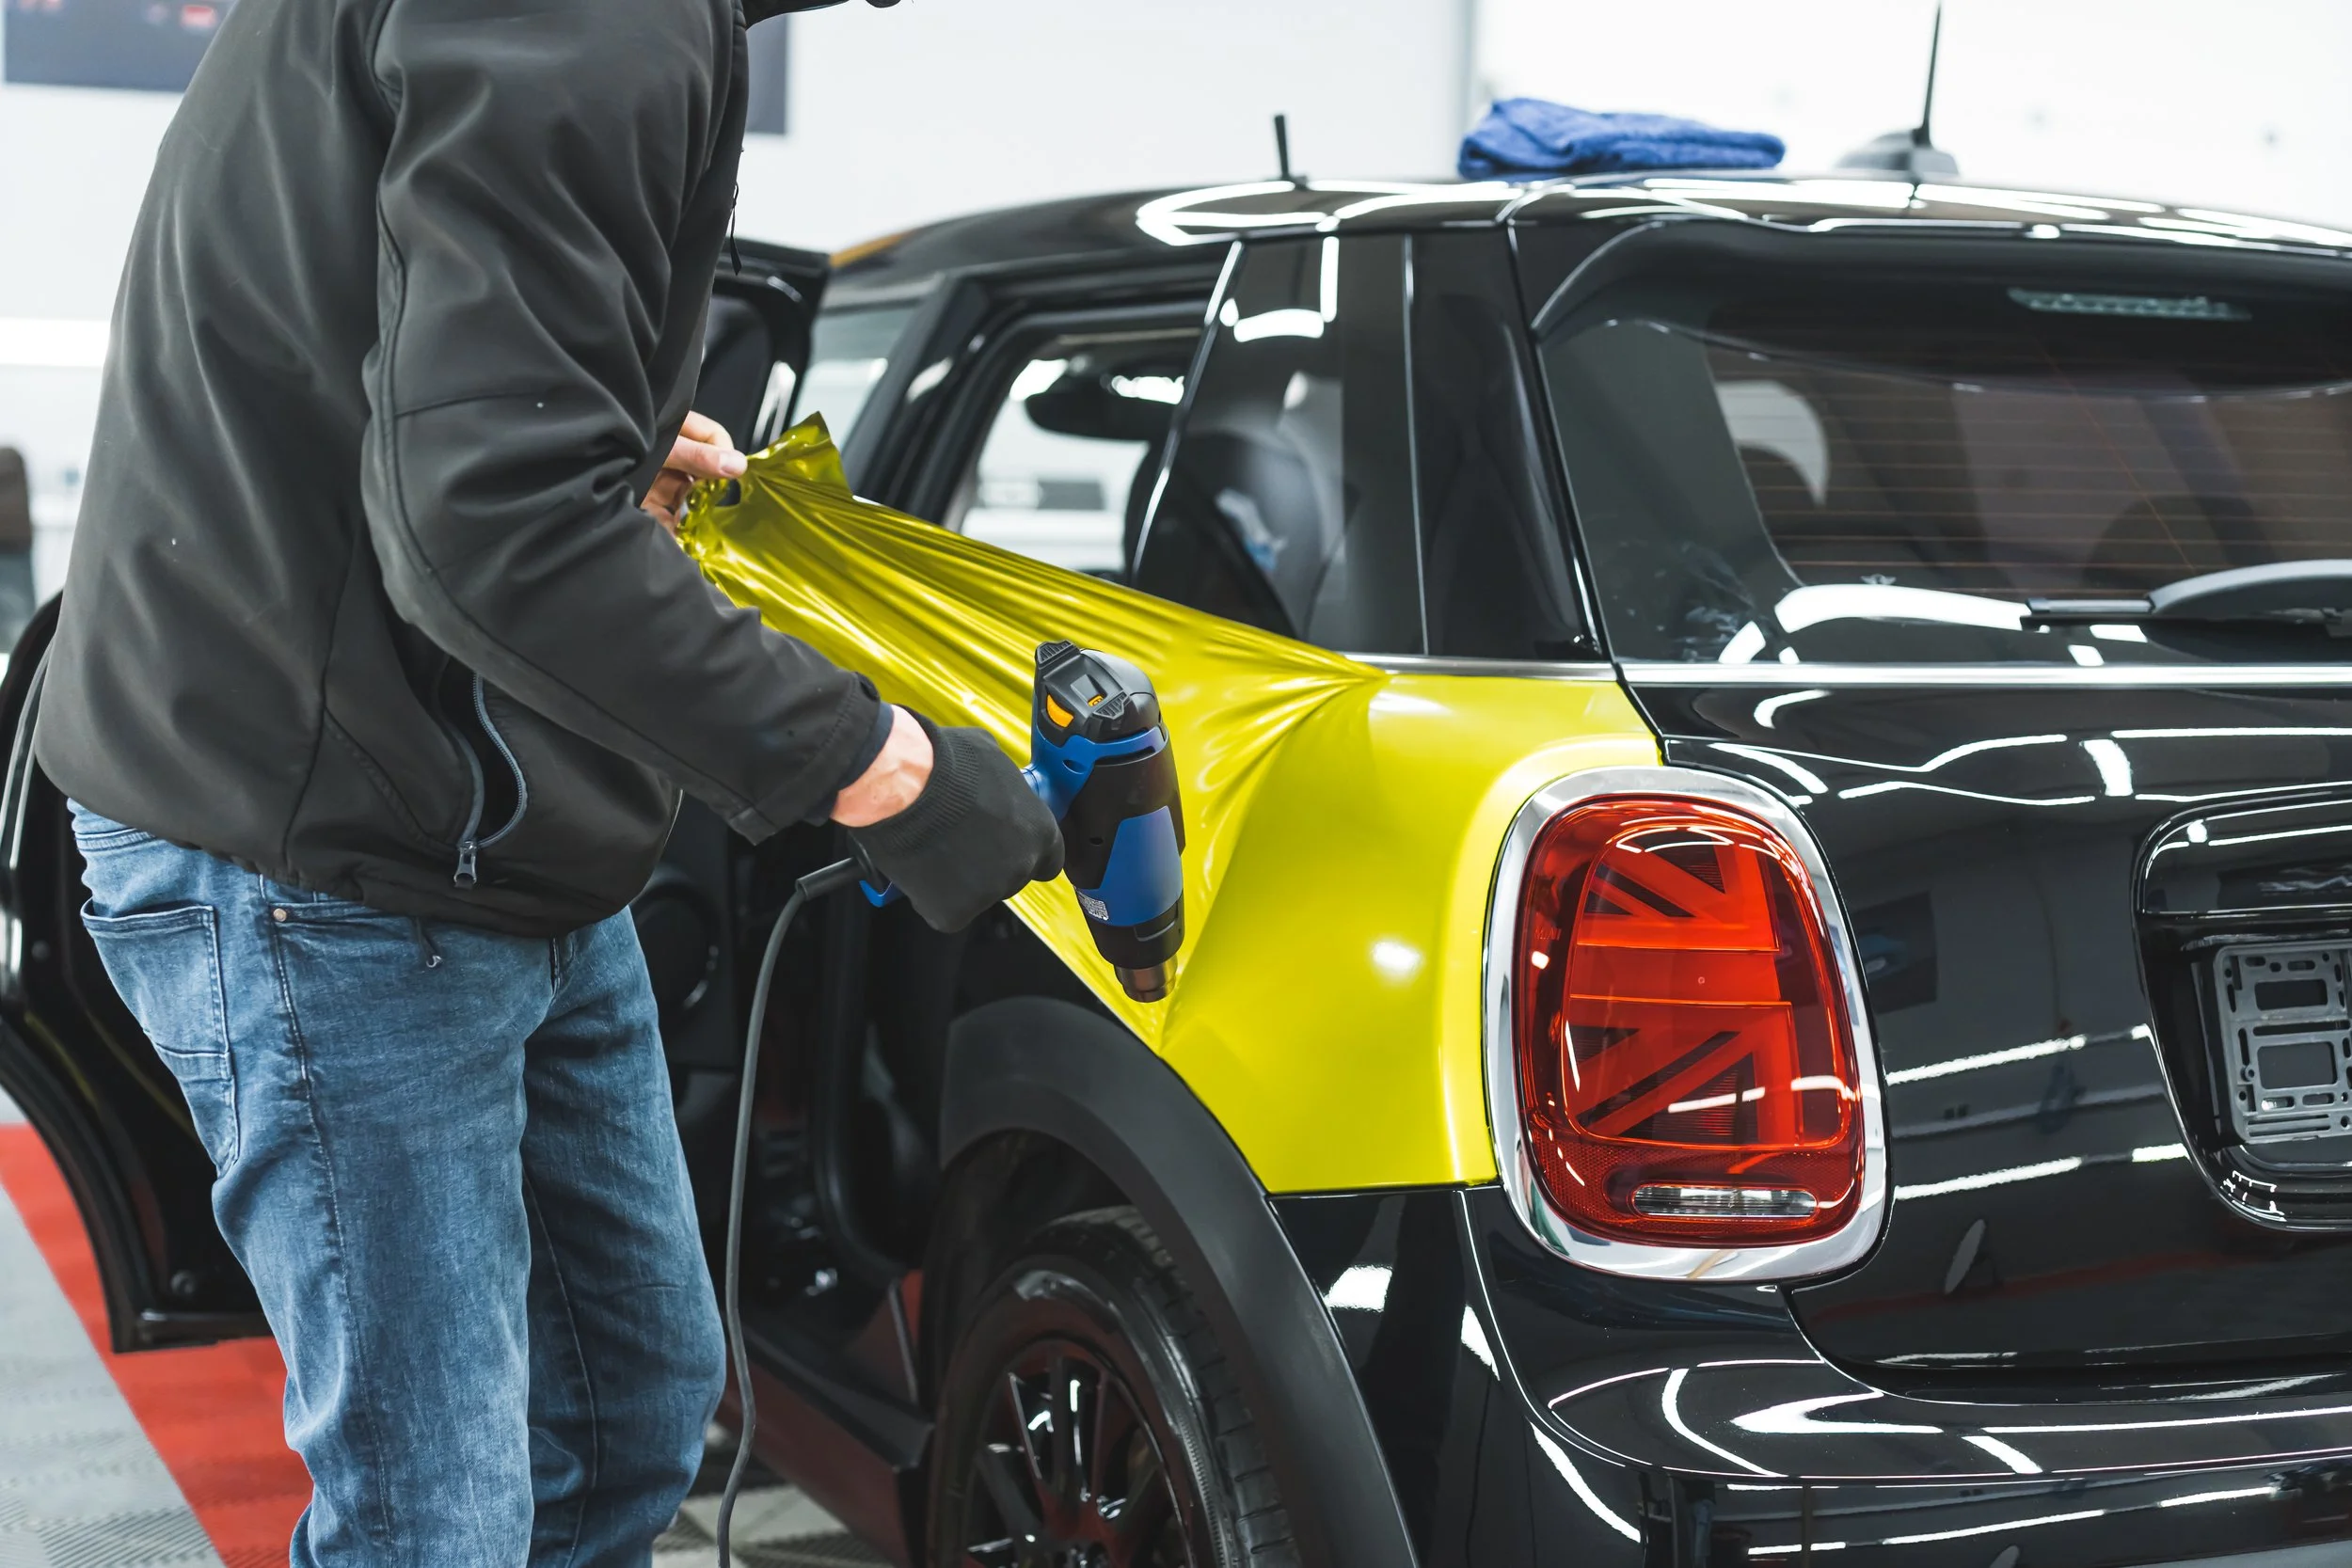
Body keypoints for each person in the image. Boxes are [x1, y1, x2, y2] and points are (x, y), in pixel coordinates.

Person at [31, 0, 1063, 1560]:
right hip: (332, 849)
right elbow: (492, 529)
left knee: (627, 1400)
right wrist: (882, 764)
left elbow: (420, 375)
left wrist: (600, 437)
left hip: (473, 818)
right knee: (432, 1516)